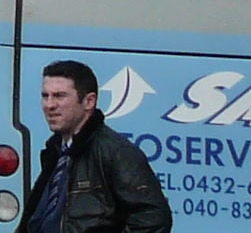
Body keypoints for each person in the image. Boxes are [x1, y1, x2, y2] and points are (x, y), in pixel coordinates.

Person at [24, 62, 172, 233]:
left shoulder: (115, 152)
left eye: (59, 96)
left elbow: (154, 219)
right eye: (45, 96)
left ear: (89, 101)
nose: (49, 105)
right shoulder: (56, 150)